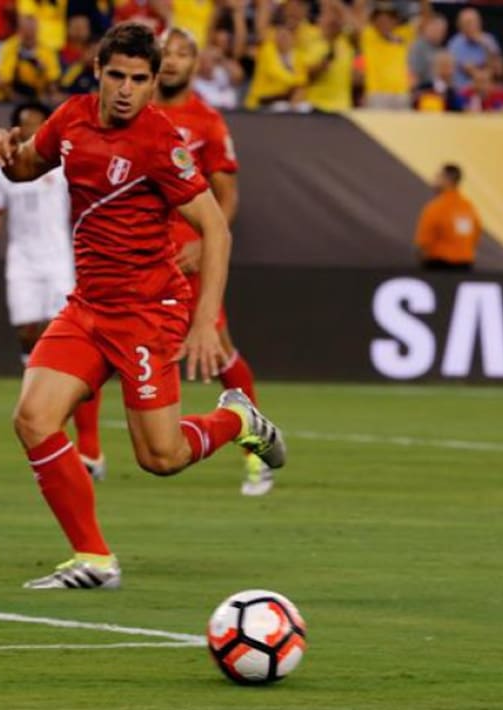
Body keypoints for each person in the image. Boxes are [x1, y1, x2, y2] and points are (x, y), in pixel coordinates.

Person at [0, 22, 286, 590]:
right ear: (98, 71)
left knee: (161, 458)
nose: (126, 90)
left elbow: (216, 230)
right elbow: (26, 167)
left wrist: (204, 321)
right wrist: (5, 154)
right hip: (88, 306)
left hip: (147, 312)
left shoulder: (160, 143)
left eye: (139, 80)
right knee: (33, 419)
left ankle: (238, 419)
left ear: (152, 83)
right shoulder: (71, 118)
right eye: (117, 76)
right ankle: (94, 559)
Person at [156, 26, 275, 496]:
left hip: (186, 258)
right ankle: (87, 453)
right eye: (165, 51)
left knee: (219, 350)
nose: (171, 60)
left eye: (182, 53)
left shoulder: (206, 122)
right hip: (138, 252)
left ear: (195, 64)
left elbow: (227, 197)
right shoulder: (134, 112)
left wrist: (205, 245)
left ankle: (255, 449)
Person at [0, 101, 104, 479]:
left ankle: (88, 445)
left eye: (39, 123)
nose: (34, 129)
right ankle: (46, 409)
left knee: (65, 339)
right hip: (22, 261)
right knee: (26, 332)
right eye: (27, 124)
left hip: (59, 260)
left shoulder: (64, 164)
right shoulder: (3, 170)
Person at [414, 163, 480, 271]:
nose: (434, 180)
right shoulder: (469, 208)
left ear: (447, 179)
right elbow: (475, 237)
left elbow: (423, 244)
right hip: (465, 267)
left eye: (438, 176)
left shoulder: (436, 208)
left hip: (439, 267)